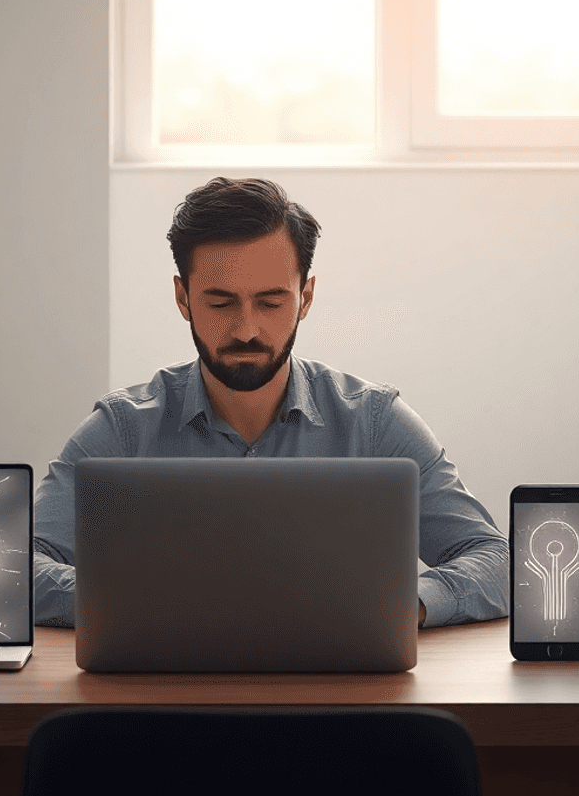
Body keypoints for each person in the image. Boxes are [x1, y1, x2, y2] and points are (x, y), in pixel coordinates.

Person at [33, 177, 508, 628]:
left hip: (340, 684)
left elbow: (498, 560)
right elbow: (18, 566)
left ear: (306, 297)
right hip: (168, 684)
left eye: (271, 302)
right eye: (221, 303)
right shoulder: (123, 429)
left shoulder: (373, 420)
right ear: (183, 298)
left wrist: (400, 605)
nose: (246, 329)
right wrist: (129, 600)